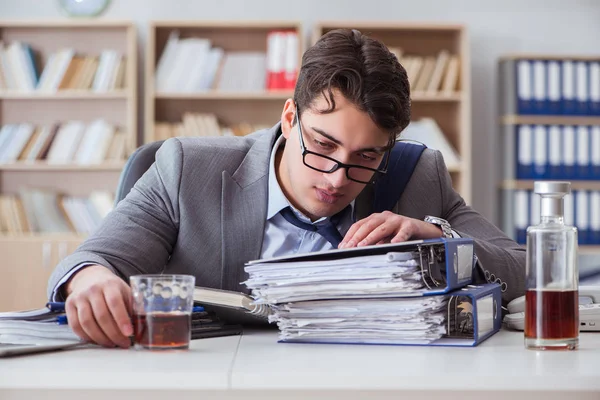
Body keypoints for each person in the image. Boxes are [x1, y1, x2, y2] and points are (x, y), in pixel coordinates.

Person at [47, 29, 525, 349]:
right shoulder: (186, 168)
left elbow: (525, 268)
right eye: (322, 144)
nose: (338, 178)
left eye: (367, 157)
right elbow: (94, 259)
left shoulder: (416, 175)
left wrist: (441, 238)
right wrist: (91, 281)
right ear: (291, 117)